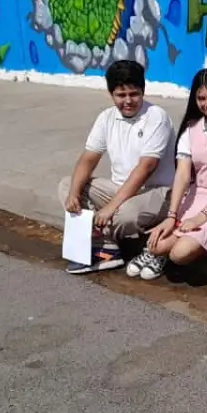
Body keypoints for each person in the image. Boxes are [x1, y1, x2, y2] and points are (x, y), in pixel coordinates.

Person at [135, 68, 207, 280]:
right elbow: (182, 175)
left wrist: (202, 217)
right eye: (201, 98)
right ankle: (160, 253)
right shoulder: (191, 127)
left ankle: (197, 245)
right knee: (157, 244)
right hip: (194, 198)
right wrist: (171, 216)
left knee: (180, 254)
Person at [58, 60, 175, 275]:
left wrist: (111, 207)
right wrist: (74, 194)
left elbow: (146, 167)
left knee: (124, 216)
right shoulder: (106, 118)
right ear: (111, 94)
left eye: (134, 94)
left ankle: (98, 241)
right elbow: (88, 159)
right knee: (67, 185)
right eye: (121, 95)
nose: (128, 101)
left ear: (143, 91)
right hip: (120, 188)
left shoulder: (156, 116)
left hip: (156, 192)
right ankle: (106, 247)